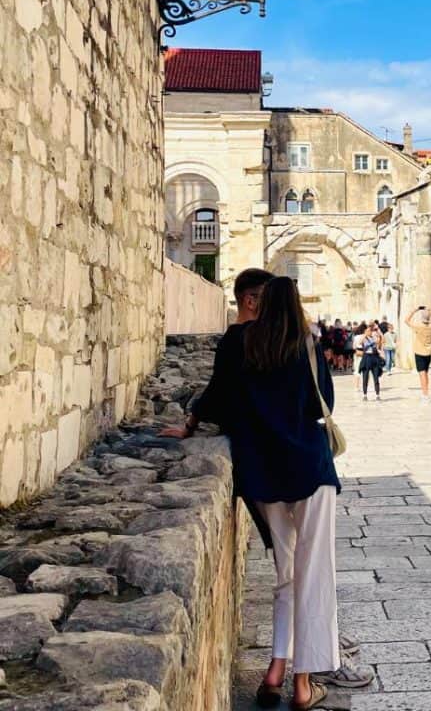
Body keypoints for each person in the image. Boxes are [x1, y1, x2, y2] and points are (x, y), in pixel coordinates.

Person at [161, 276, 370, 709]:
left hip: (261, 473)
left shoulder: (240, 342)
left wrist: (190, 424)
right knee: (314, 575)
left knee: (286, 573)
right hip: (309, 470)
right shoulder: (304, 345)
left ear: (260, 302)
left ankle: (276, 669)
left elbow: (217, 394)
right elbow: (321, 405)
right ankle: (303, 683)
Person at [405, 306, 431, 402]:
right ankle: (426, 393)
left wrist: (414, 310)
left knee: (422, 375)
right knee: (426, 374)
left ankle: (425, 395)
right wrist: (430, 311)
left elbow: (406, 320)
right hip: (428, 353)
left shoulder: (418, 327)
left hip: (419, 352)